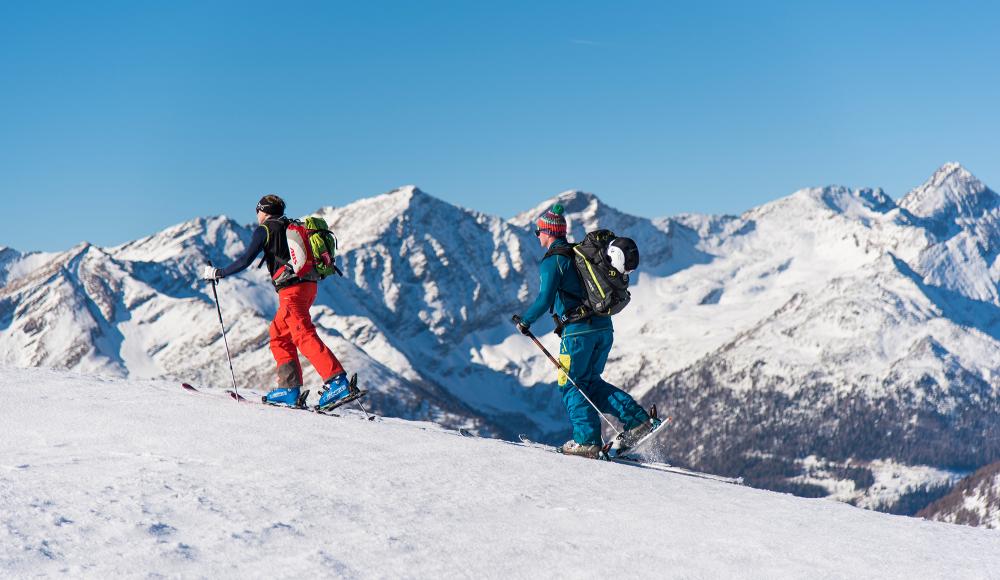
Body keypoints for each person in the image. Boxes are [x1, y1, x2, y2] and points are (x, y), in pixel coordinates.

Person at [513, 204, 656, 458]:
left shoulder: (553, 261)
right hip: (603, 329)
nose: (537, 236)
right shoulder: (579, 254)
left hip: (577, 334)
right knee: (590, 382)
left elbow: (544, 299)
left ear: (548, 232)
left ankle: (587, 441)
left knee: (570, 385)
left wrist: (525, 321)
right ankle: (637, 421)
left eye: (538, 231)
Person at [201, 194, 358, 410]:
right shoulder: (291, 225)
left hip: (291, 290)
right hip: (309, 286)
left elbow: (245, 260)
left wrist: (219, 272)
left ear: (262, 211)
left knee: (303, 334)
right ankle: (288, 389)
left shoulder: (265, 229)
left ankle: (337, 382)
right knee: (278, 333)